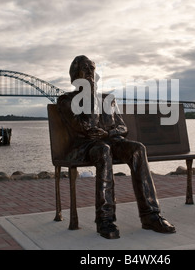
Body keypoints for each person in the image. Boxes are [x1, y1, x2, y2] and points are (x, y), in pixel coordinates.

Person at [56, 55, 176, 239]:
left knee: (138, 149)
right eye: (85, 68)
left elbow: (123, 128)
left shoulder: (108, 99)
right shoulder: (66, 101)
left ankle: (151, 216)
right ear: (74, 75)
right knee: (104, 151)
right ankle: (105, 219)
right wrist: (90, 96)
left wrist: (108, 133)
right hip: (86, 146)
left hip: (110, 140)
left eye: (92, 69)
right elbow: (86, 127)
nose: (90, 72)